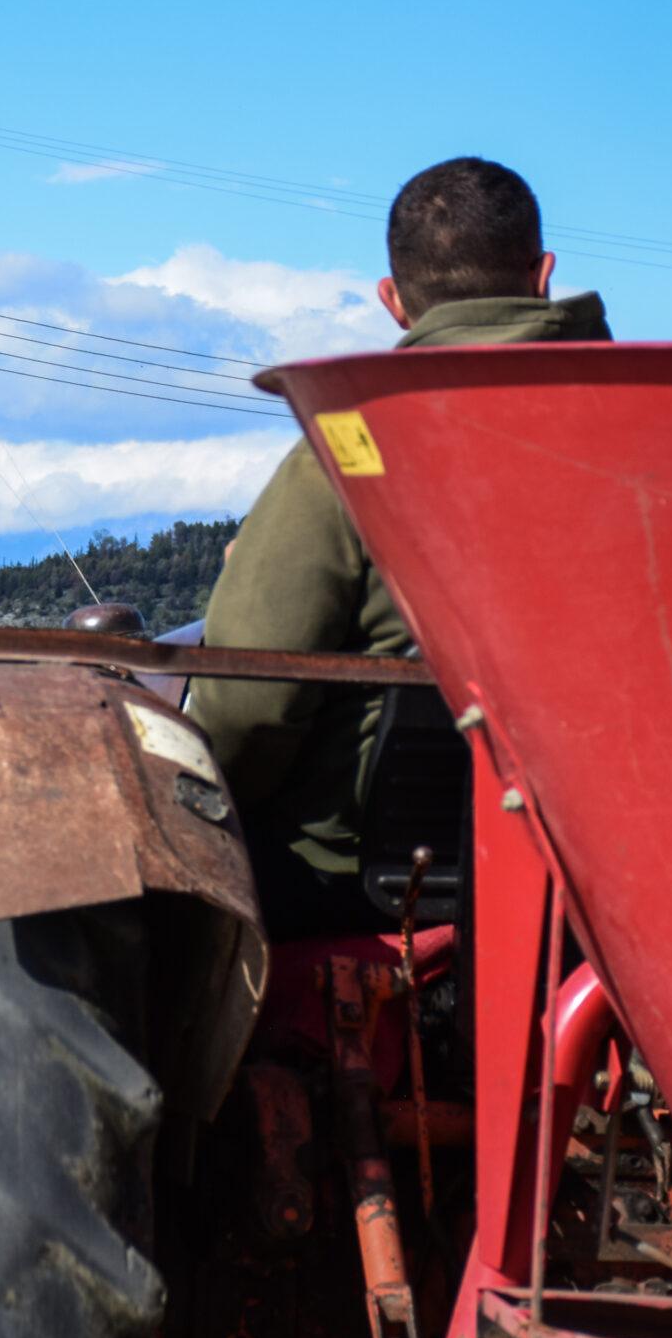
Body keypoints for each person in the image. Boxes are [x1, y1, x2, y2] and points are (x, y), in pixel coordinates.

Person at [187, 157, 611, 935]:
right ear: (543, 274)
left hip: (363, 890)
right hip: (608, 885)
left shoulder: (346, 453)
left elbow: (246, 710)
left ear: (393, 302)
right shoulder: (652, 433)